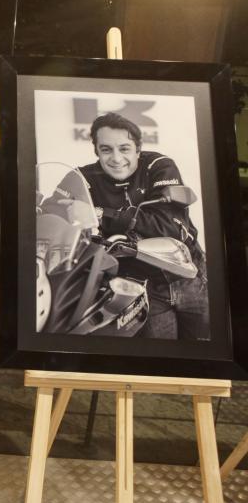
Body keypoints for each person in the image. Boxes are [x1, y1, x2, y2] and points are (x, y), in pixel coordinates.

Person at [56, 112, 208, 340]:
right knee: (161, 358)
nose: (116, 158)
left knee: (205, 352)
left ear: (138, 149)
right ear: (96, 150)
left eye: (124, 148)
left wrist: (100, 214)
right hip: (140, 286)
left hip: (190, 277)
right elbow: (51, 212)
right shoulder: (82, 177)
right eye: (106, 149)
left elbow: (169, 228)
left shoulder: (158, 166)